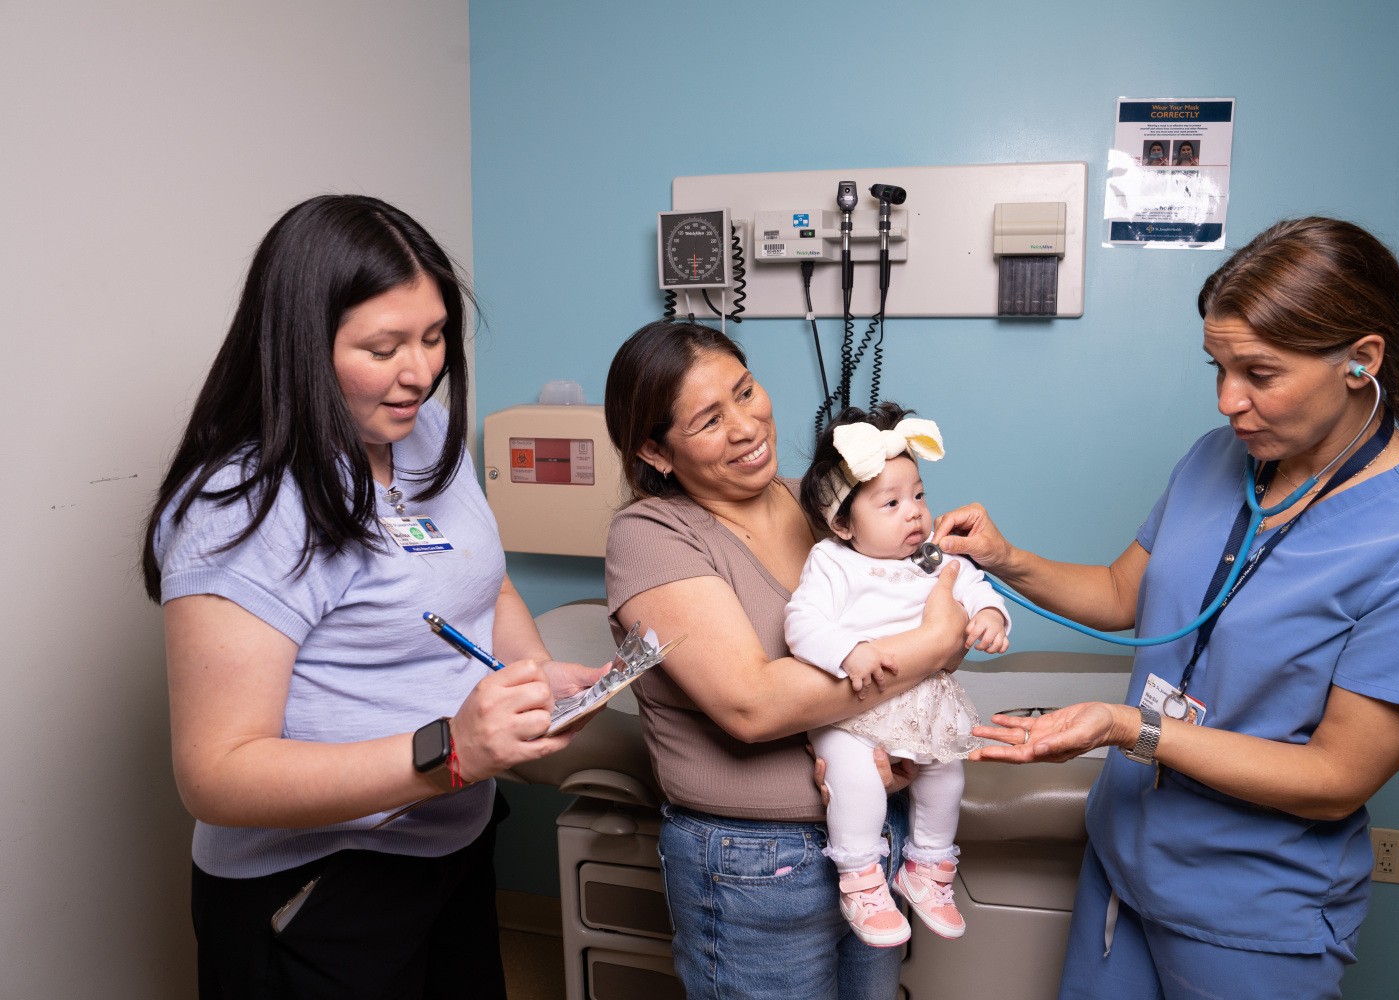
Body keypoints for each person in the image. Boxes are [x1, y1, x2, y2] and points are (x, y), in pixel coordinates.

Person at [937, 216, 1399, 1000]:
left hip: (1251, 912)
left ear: (1361, 361)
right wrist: (1004, 558)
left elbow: (1335, 776)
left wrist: (1128, 726)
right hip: (1121, 865)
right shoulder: (1218, 458)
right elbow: (1122, 595)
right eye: (1219, 367)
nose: (1228, 400)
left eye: (1259, 373)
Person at [141, 194, 603, 999]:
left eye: (434, 337)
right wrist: (451, 752)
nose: (419, 372)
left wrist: (531, 678)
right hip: (321, 885)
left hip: (452, 846)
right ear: (301, 346)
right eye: (383, 348)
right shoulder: (240, 511)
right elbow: (217, 774)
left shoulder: (424, 431)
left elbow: (482, 581)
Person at [603, 321, 970, 1000]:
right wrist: (933, 646)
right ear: (655, 449)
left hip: (873, 836)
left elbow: (909, 607)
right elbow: (752, 703)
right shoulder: (650, 537)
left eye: (745, 392)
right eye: (709, 419)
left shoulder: (825, 506)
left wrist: (906, 745)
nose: (746, 427)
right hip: (753, 864)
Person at [785, 403, 1010, 947]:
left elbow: (974, 586)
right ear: (843, 524)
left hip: (918, 703)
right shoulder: (832, 561)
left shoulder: (929, 557)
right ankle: (860, 879)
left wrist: (989, 615)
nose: (914, 514)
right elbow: (801, 622)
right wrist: (847, 651)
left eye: (919, 496)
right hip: (852, 708)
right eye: (891, 503)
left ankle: (926, 868)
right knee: (856, 779)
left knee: (946, 776)